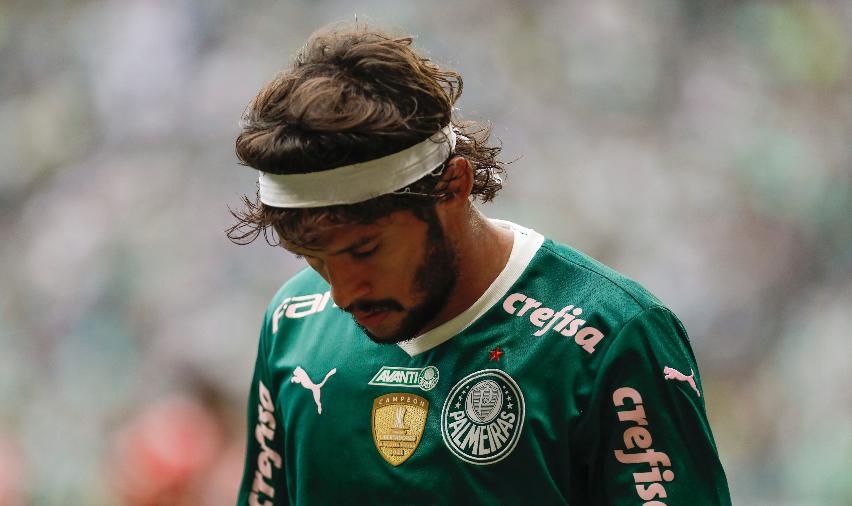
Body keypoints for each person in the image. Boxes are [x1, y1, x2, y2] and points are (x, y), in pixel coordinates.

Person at [228, 23, 731, 506]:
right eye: (314, 259)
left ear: (453, 186)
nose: (342, 293)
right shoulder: (292, 322)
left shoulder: (610, 339)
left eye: (364, 251)